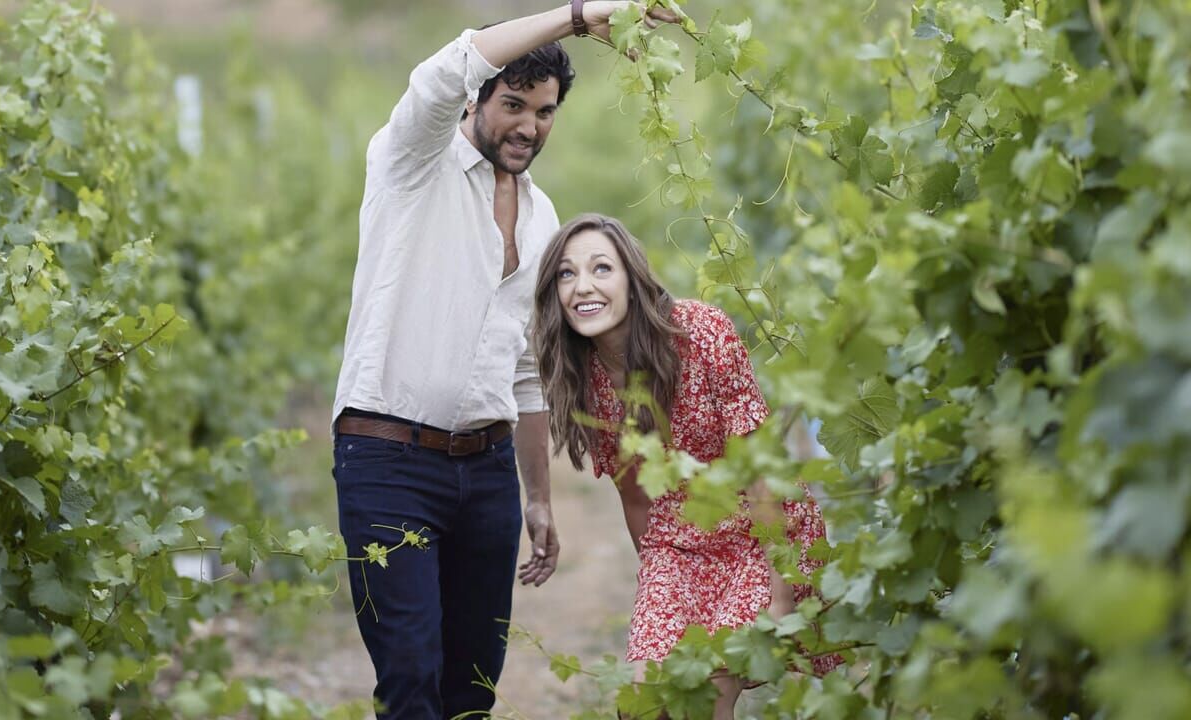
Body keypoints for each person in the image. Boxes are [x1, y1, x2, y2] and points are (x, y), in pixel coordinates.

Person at [330, 4, 676, 719]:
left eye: (544, 112)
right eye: (513, 104)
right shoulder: (411, 162)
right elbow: (450, 64)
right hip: (387, 461)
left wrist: (539, 498)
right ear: (475, 100)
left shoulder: (543, 216)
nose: (529, 127)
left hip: (485, 476)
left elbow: (523, 369)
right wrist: (577, 16)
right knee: (410, 675)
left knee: (474, 687)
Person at [532, 214, 841, 718]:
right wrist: (659, 600)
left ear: (632, 278)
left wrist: (781, 594)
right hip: (677, 547)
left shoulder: (701, 332)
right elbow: (635, 496)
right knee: (642, 706)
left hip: (758, 536)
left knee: (703, 702)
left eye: (601, 268)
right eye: (566, 273)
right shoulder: (584, 376)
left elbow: (759, 469)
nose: (582, 286)